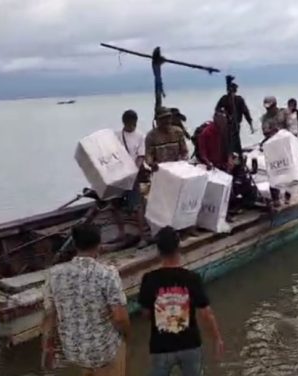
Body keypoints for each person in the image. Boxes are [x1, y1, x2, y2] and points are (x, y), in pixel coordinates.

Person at [42, 224, 130, 376]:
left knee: (88, 364)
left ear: (75, 245)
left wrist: (47, 346)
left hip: (73, 351)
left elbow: (49, 316)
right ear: (99, 245)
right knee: (120, 346)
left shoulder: (54, 274)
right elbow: (120, 318)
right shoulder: (107, 274)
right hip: (103, 351)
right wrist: (128, 336)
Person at [138, 227, 224, 376]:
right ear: (179, 248)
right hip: (189, 345)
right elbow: (206, 313)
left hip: (161, 346)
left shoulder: (149, 279)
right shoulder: (192, 278)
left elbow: (145, 313)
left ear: (158, 251)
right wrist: (217, 339)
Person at [112, 110, 148, 241]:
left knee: (137, 205)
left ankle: (142, 236)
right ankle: (121, 233)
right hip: (118, 175)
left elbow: (141, 156)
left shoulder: (140, 136)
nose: (132, 125)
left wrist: (134, 171)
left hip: (132, 176)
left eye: (134, 123)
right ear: (124, 122)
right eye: (130, 123)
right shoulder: (116, 136)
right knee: (115, 204)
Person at [214, 83, 255, 155]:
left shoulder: (239, 99)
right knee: (226, 142)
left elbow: (245, 112)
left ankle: (236, 154)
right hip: (226, 125)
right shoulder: (224, 99)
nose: (232, 94)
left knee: (235, 142)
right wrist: (223, 113)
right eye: (230, 92)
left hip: (236, 125)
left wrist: (250, 124)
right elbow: (217, 109)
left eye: (233, 91)